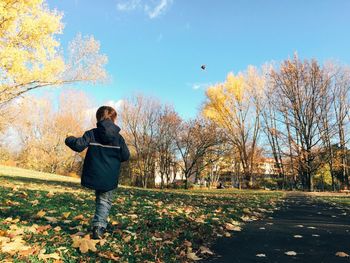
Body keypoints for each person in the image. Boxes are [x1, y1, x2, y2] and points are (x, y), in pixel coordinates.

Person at [65, 106, 130, 239]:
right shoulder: (119, 138)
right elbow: (125, 156)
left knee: (101, 199)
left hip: (94, 173)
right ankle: (99, 227)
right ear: (114, 119)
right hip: (109, 176)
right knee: (104, 200)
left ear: (98, 118)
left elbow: (78, 145)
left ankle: (98, 223)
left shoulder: (92, 133)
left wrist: (69, 138)